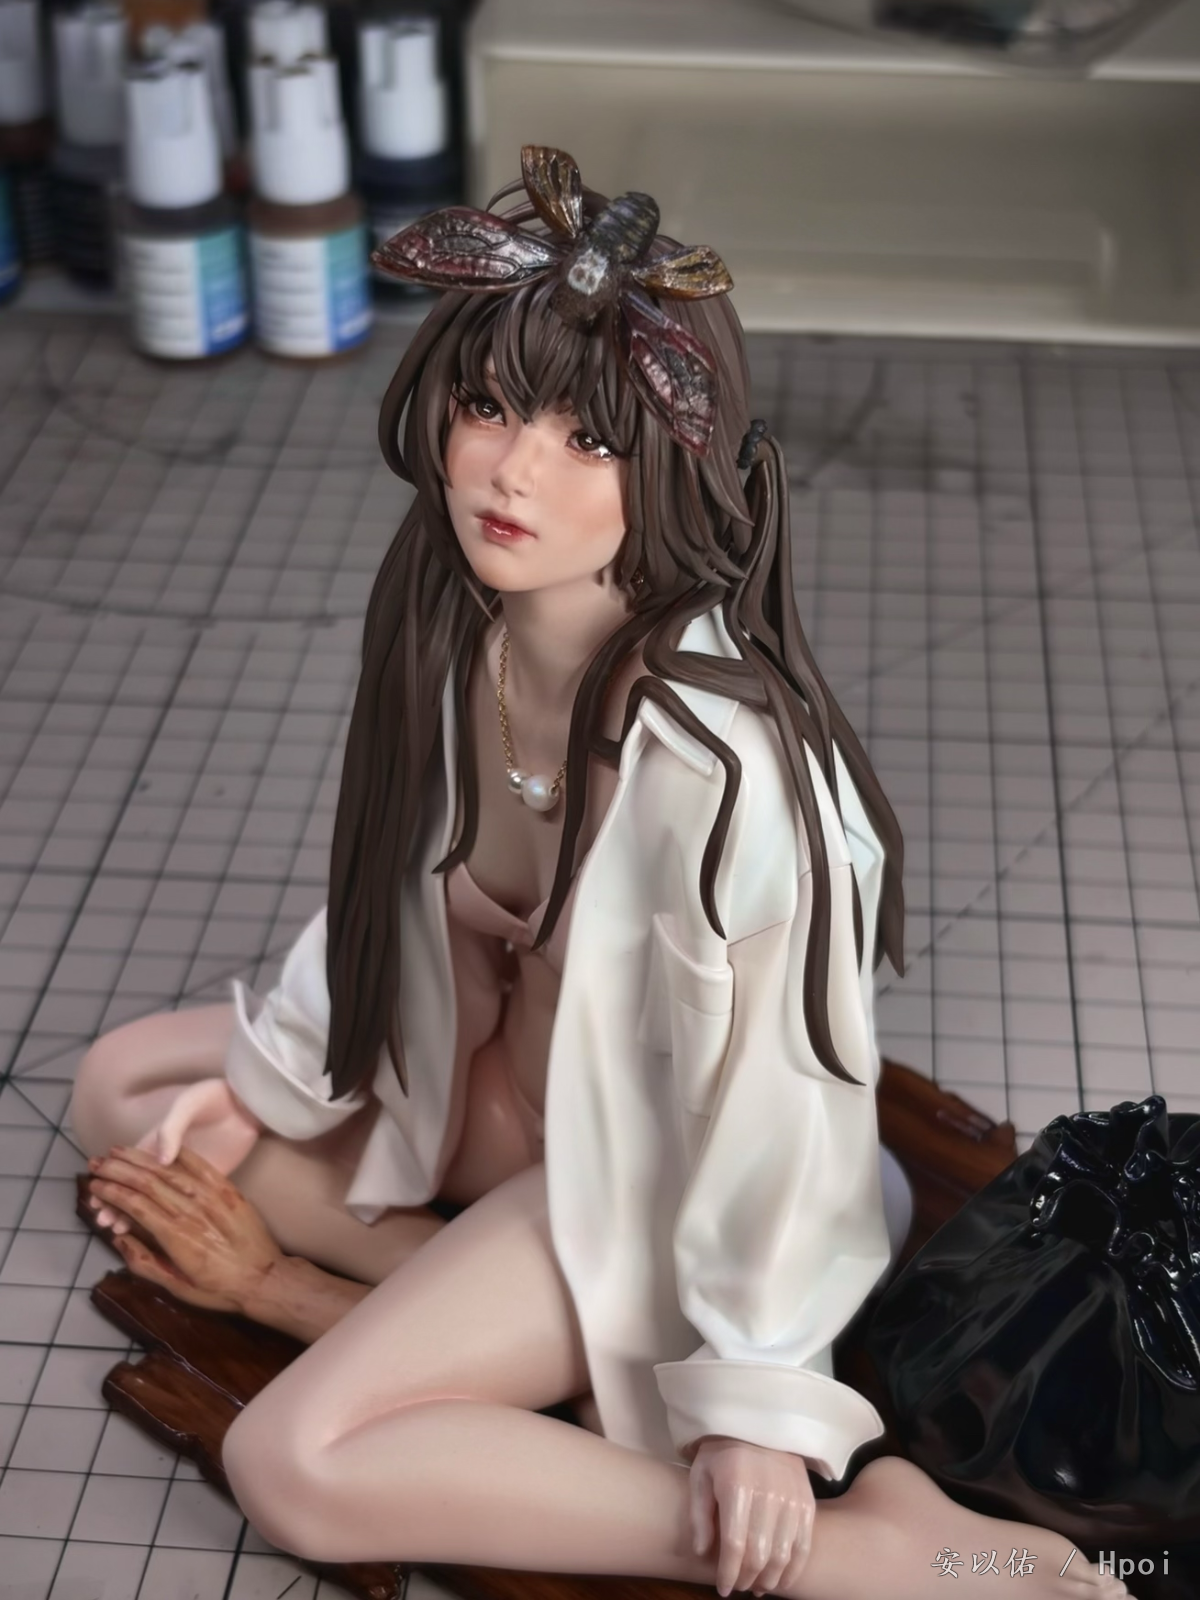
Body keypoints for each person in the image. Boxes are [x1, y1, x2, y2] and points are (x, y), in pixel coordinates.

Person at [72, 148, 1130, 1600]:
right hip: (499, 1112)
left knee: (294, 1464)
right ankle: (472, 1328)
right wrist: (276, 1078)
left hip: (659, 1189)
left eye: (588, 438)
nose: (516, 471)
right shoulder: (462, 635)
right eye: (490, 405)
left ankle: (851, 1549)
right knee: (126, 1094)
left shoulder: (729, 769)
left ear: (673, 460)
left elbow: (790, 1102)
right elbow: (408, 908)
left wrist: (757, 1396)